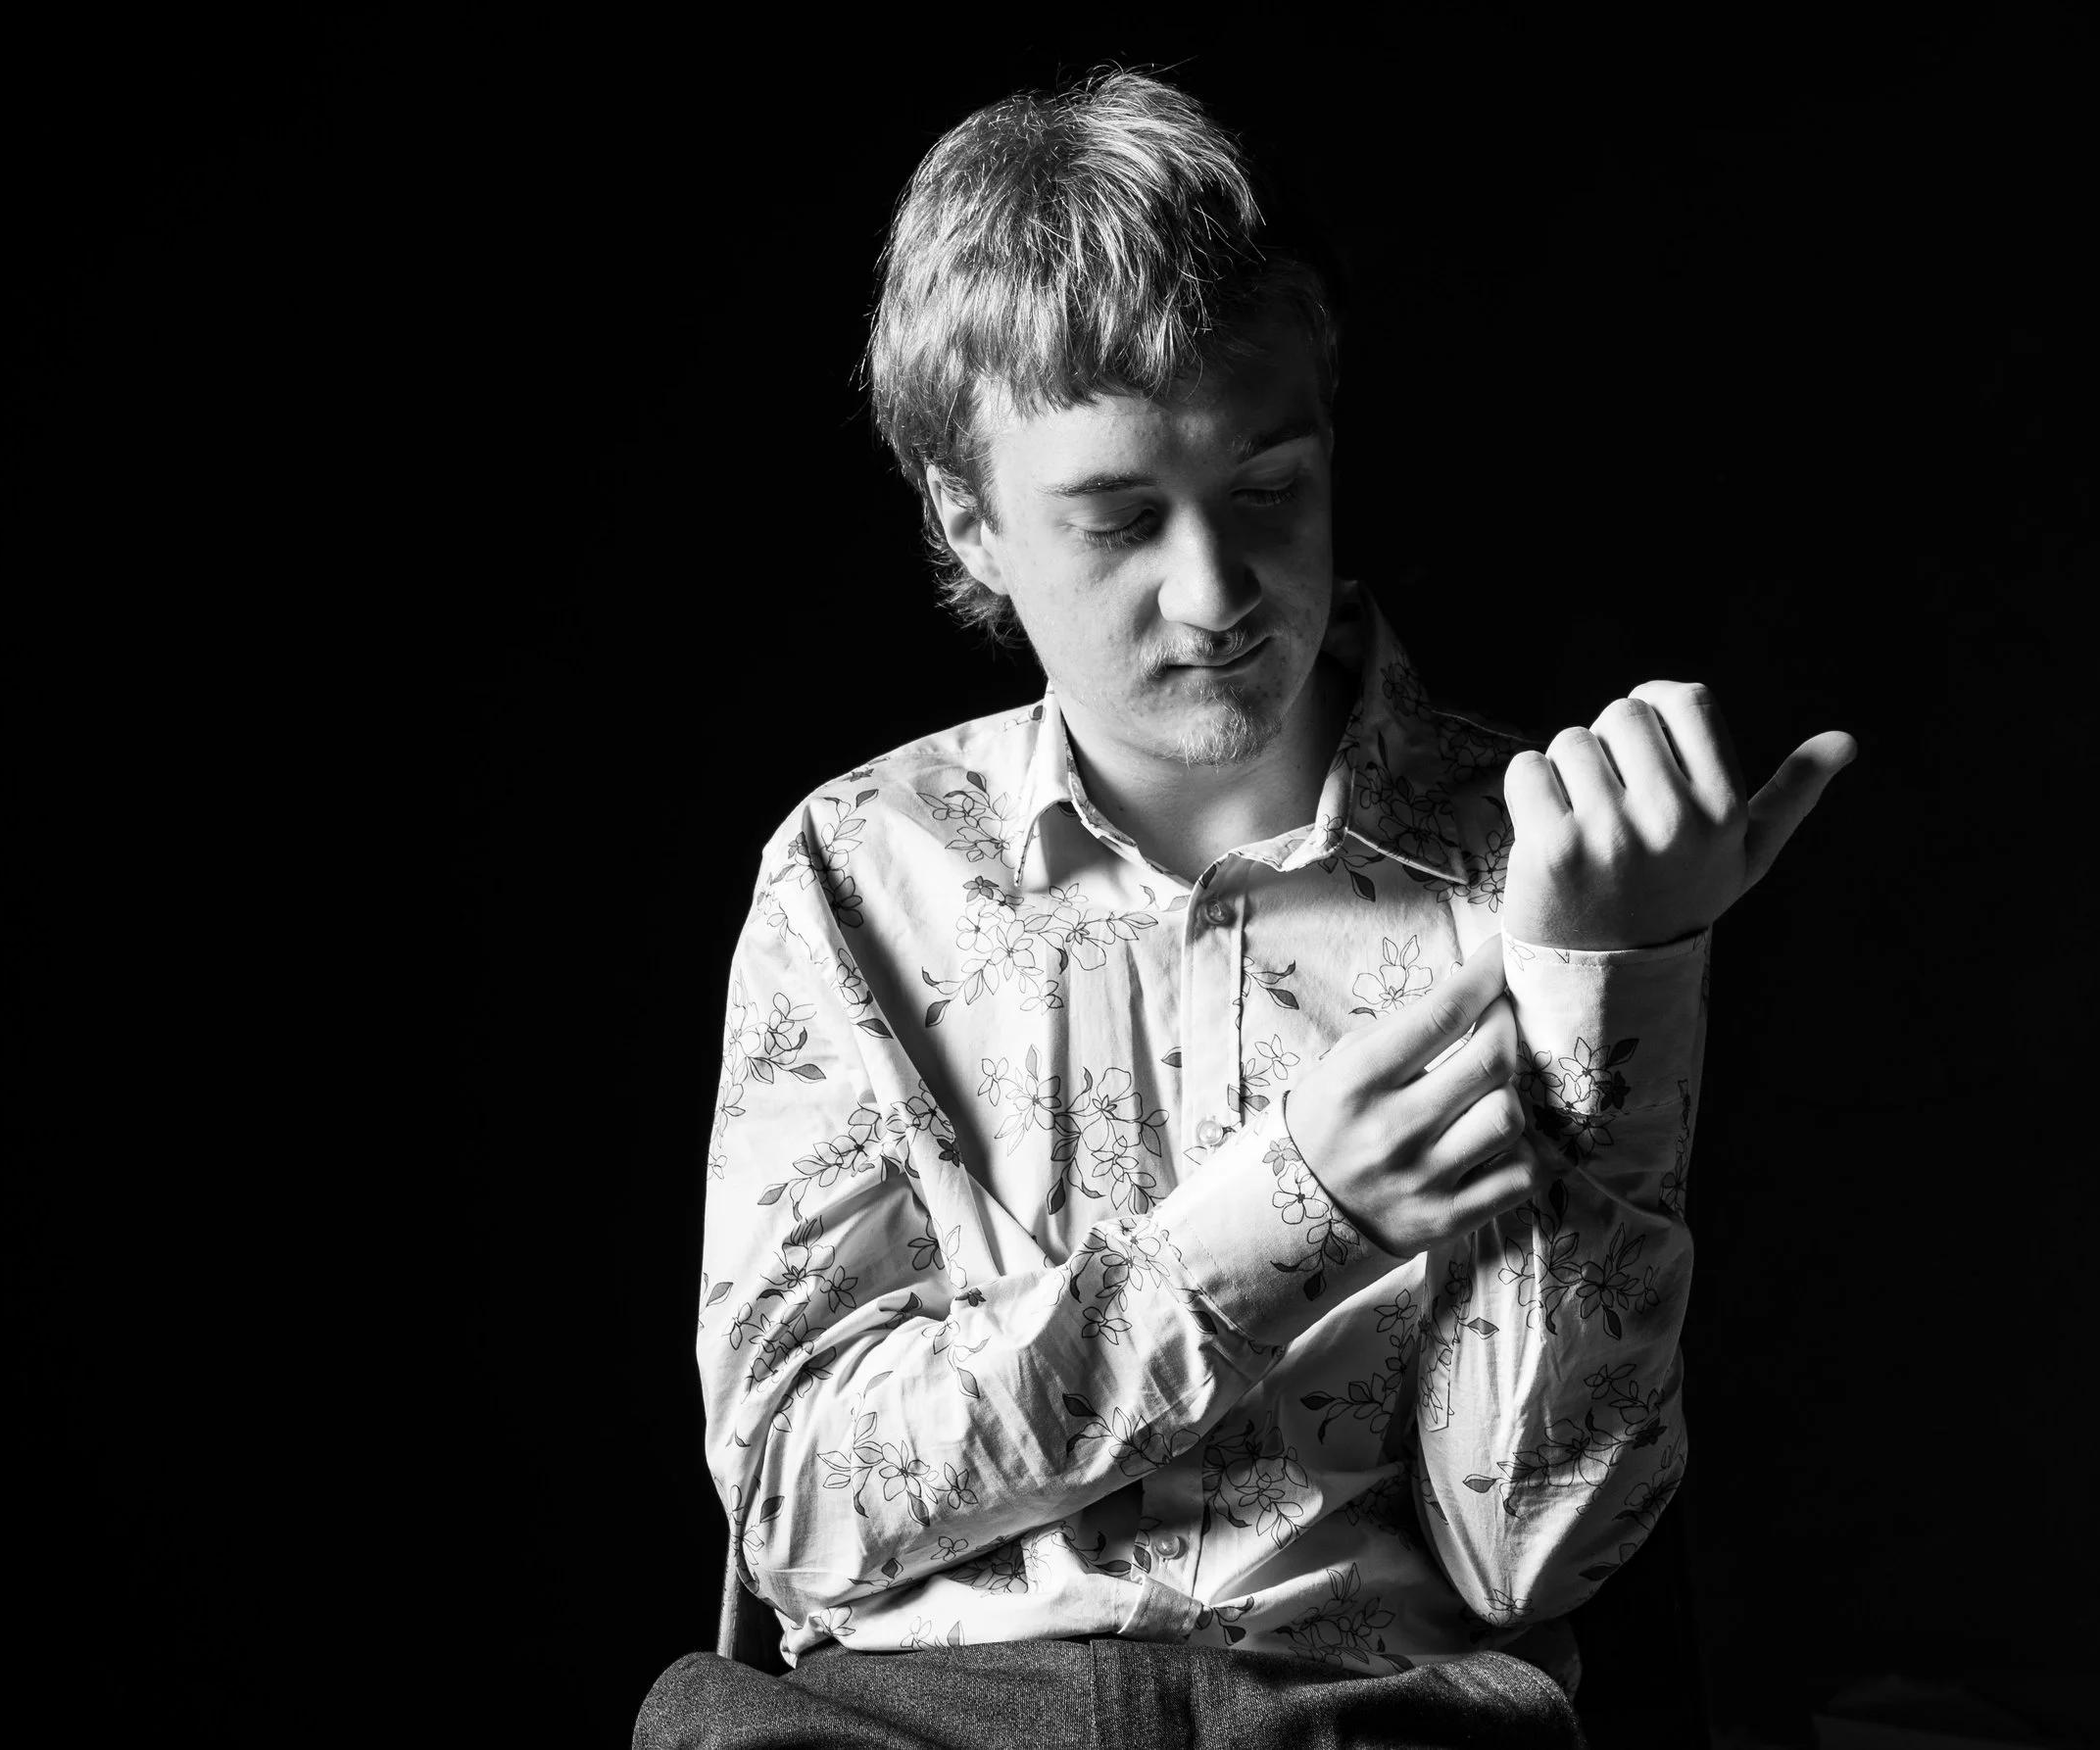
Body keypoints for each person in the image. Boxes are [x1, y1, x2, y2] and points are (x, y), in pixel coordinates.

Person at [636, 68, 1853, 1750]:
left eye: (1268, 487)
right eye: (1120, 517)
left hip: (1364, 1721)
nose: (1212, 594)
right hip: (918, 1728)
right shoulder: (857, 873)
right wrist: (1287, 1217)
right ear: (968, 515)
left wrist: (1616, 976)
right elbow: (799, 1506)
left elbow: (1535, 1558)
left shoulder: (1530, 867)